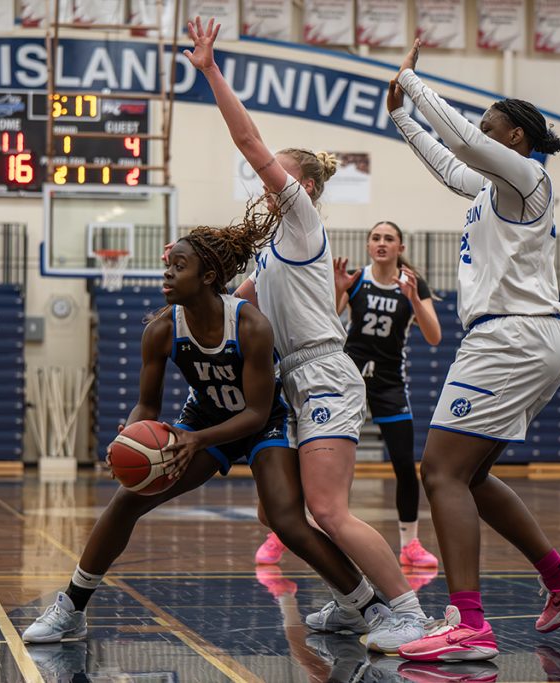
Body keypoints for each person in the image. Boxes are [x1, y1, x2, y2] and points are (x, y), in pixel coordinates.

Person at [22, 201, 381, 646]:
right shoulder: (160, 330)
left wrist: (195, 440)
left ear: (208, 277)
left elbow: (253, 412)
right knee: (126, 500)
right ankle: (72, 607)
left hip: (261, 423)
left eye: (179, 265)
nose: (167, 273)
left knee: (286, 521)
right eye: (167, 265)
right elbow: (146, 407)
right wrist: (131, 437)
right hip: (204, 419)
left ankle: (365, 605)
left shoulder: (250, 324)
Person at [184, 16, 429, 653]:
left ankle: (405, 610)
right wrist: (183, 274)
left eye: (278, 176)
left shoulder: (301, 221)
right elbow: (230, 306)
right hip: (290, 379)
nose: (266, 183)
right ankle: (353, 603)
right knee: (277, 512)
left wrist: (210, 70)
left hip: (322, 371)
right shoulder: (268, 257)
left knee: (328, 509)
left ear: (305, 187)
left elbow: (250, 143)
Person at [383, 40, 560, 662]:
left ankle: (469, 625)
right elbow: (452, 165)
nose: (478, 135)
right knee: (470, 474)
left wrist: (415, 84)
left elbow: (460, 144)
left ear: (518, 140)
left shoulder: (530, 178)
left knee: (441, 471)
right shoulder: (492, 190)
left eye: (489, 127)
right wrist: (402, 116)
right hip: (523, 338)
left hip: (512, 336)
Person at [256, 221, 443, 577]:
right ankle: (282, 534)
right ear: (368, 245)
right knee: (309, 460)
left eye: (389, 238)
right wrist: (340, 291)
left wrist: (415, 300)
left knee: (404, 464)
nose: (382, 243)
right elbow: (325, 320)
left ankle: (411, 544)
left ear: (400, 247)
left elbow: (433, 335)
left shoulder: (413, 284)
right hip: (347, 377)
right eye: (376, 238)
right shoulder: (357, 279)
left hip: (388, 383)